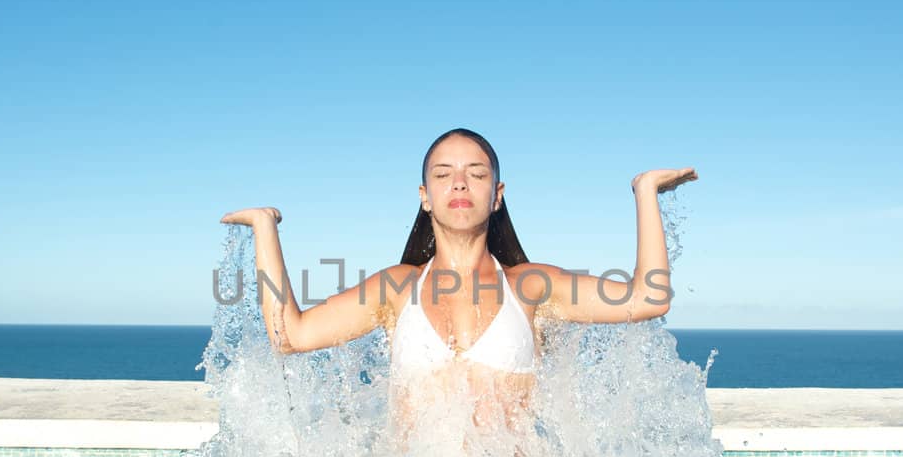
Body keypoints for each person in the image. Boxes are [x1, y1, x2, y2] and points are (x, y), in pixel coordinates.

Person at [221, 127, 696, 432]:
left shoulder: (529, 288)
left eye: (476, 174)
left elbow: (647, 299)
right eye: (445, 175)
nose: (461, 184)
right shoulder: (395, 289)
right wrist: (266, 227)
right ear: (426, 197)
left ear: (497, 195)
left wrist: (646, 191)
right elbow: (290, 334)